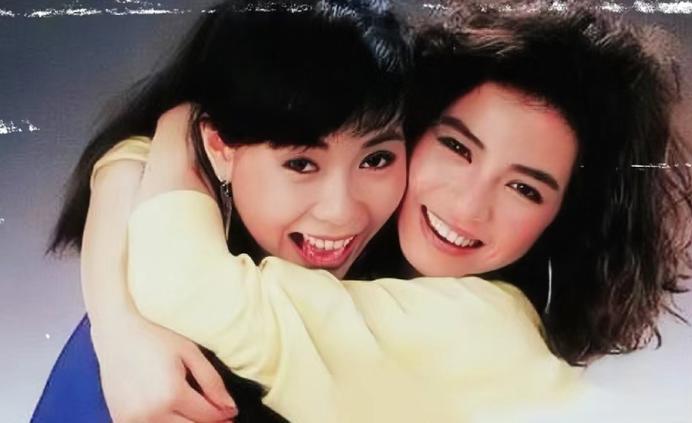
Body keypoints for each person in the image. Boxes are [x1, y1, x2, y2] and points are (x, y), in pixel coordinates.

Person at [113, 3, 692, 421]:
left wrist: (181, 121)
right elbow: (130, 165)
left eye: (524, 189)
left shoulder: (478, 328)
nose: (467, 206)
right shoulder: (381, 281)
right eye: (458, 148)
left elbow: (184, 283)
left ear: (562, 219)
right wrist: (121, 329)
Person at [33, 1, 411, 422]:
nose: (341, 212)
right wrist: (119, 326)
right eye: (301, 164)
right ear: (219, 147)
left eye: (376, 160)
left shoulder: (422, 265)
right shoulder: (157, 355)